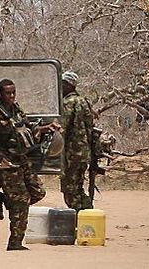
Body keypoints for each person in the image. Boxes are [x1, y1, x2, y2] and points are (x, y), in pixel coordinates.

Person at [0, 78, 57, 251]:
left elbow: (27, 127)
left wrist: (44, 129)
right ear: (0, 93)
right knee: (21, 200)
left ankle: (2, 199)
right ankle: (15, 242)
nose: (12, 96)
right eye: (8, 93)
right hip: (3, 160)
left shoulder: (15, 108)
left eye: (13, 92)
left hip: (20, 157)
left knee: (38, 192)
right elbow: (5, 132)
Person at [60, 70, 95, 210]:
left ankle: (83, 217)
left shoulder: (69, 102)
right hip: (83, 154)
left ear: (69, 85)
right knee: (77, 188)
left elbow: (62, 127)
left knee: (71, 191)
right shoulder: (83, 101)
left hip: (72, 155)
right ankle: (86, 215)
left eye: (62, 84)